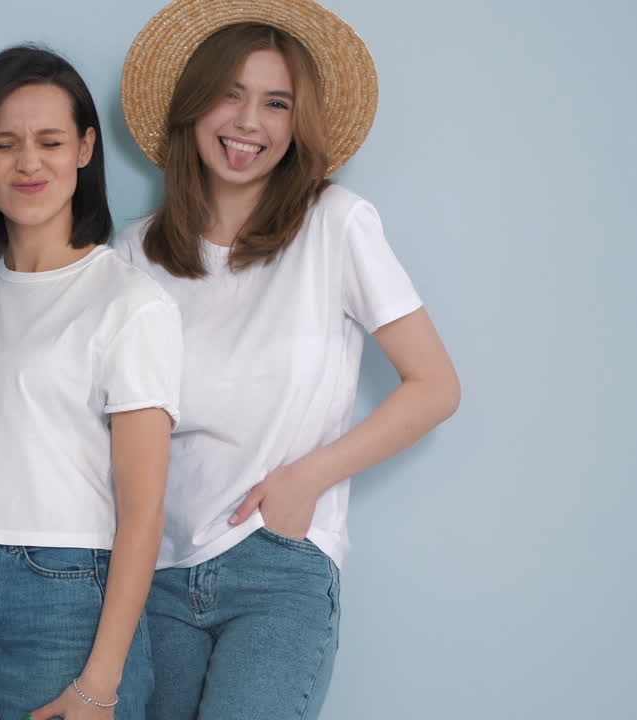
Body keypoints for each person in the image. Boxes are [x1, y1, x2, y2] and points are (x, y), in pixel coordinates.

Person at [115, 1, 463, 717]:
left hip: (277, 564)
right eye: (230, 94)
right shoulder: (135, 253)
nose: (249, 122)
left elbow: (435, 386)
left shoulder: (336, 224)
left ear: (296, 125)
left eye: (276, 103)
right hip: (157, 573)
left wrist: (305, 480)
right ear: (192, 108)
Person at [0, 46, 181, 720]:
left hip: (72, 605)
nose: (29, 163)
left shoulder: (131, 303)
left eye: (51, 141)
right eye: (4, 144)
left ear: (84, 148)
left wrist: (99, 685)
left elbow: (143, 511)